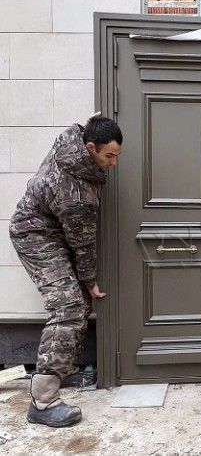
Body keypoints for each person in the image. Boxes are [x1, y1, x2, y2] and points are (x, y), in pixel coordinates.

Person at [9, 116, 122, 427]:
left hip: (52, 228)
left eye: (117, 155)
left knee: (77, 306)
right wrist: (90, 282)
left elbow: (88, 122)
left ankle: (65, 370)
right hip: (34, 235)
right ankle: (43, 401)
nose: (113, 164)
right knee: (69, 307)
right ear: (90, 148)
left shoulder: (72, 138)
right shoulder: (77, 196)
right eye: (108, 156)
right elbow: (83, 244)